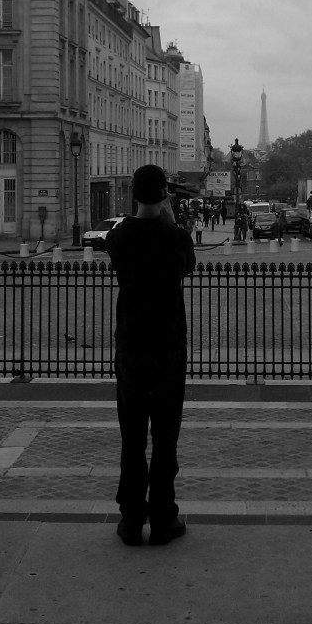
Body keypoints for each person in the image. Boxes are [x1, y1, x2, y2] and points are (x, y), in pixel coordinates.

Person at [106, 164, 196, 547]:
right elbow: (188, 267)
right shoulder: (175, 238)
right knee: (164, 438)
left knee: (131, 437)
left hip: (131, 346)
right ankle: (162, 518)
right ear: (164, 197)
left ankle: (130, 520)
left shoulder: (118, 238)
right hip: (168, 347)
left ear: (133, 195)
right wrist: (171, 219)